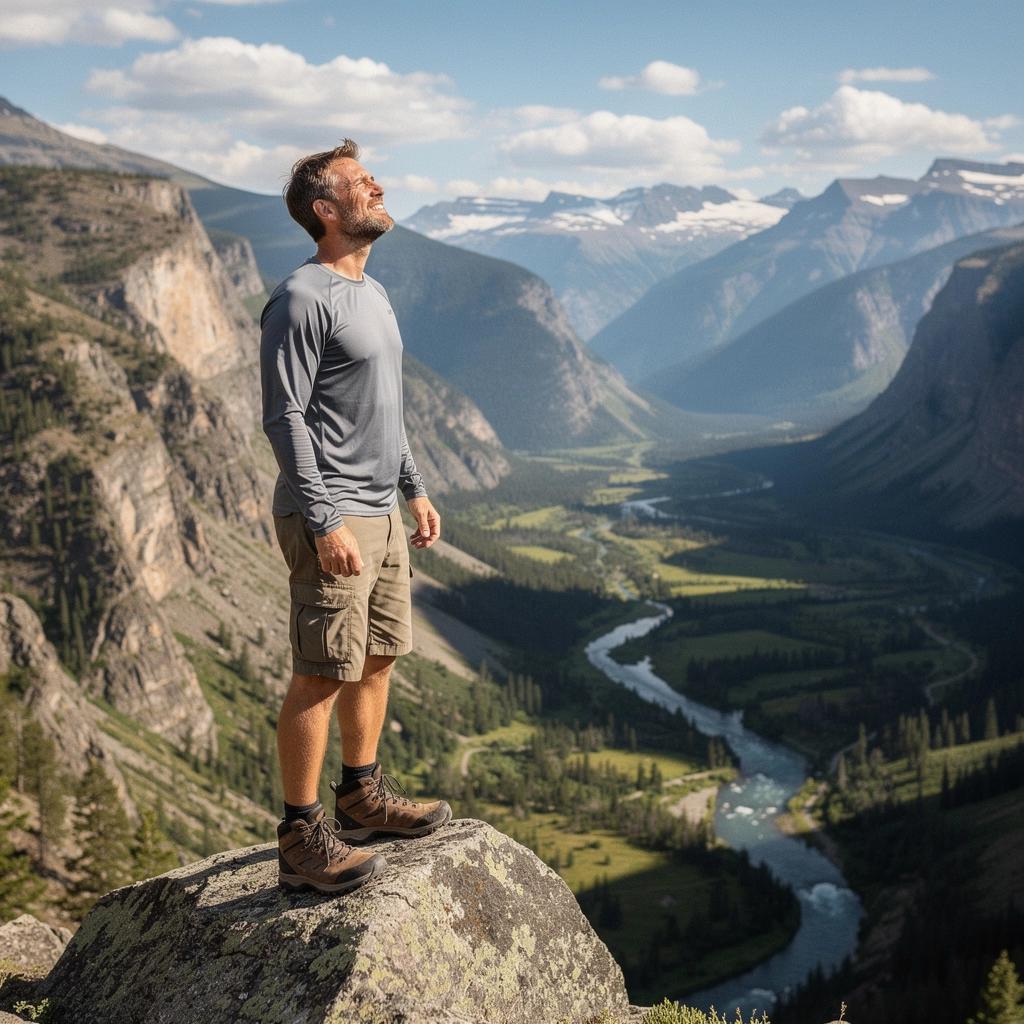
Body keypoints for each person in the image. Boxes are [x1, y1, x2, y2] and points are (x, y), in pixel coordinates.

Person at [260, 139, 450, 895]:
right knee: (320, 671)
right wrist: (324, 517)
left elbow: (384, 410)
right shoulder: (301, 298)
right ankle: (300, 838)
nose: (378, 187)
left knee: (377, 656)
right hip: (334, 513)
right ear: (326, 210)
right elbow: (284, 417)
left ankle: (361, 798)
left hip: (382, 510)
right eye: (360, 182)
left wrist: (415, 488)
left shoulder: (372, 293)